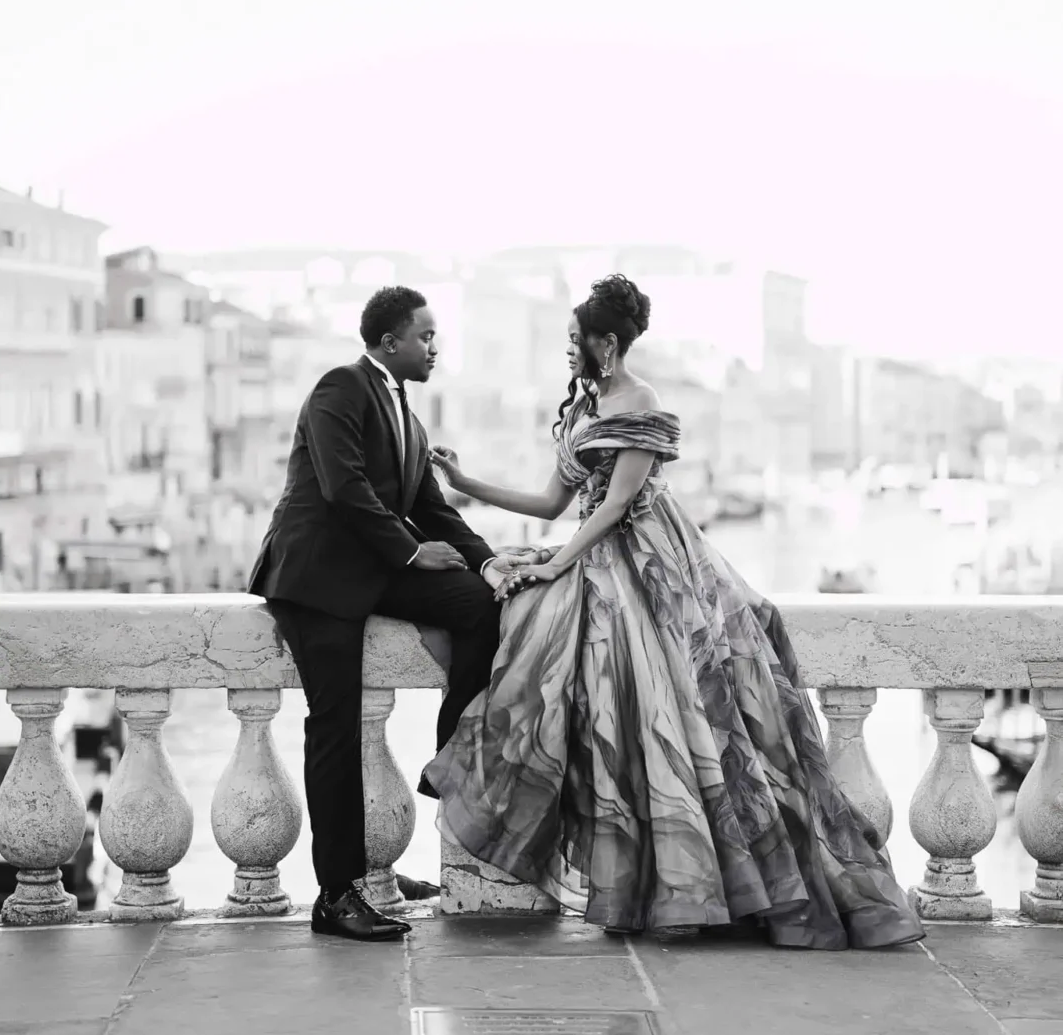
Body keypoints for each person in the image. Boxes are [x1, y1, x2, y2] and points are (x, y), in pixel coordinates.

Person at [426, 273, 924, 950]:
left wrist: (554, 563)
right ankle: (645, 884)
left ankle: (699, 886)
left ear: (607, 341)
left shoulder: (642, 401)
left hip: (651, 564)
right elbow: (550, 504)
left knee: (671, 714)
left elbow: (615, 507)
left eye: (577, 341)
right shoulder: (584, 409)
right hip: (593, 556)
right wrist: (465, 484)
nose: (568, 352)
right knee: (598, 710)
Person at [248, 287, 513, 942]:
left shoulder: (406, 415)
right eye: (425, 336)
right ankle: (336, 895)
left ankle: (446, 758)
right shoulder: (341, 386)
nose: (434, 347)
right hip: (314, 579)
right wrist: (412, 553)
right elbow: (343, 489)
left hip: (370, 569)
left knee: (480, 605)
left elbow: (434, 509)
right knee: (335, 727)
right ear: (390, 341)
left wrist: (488, 564)